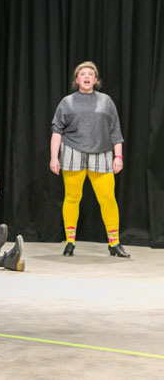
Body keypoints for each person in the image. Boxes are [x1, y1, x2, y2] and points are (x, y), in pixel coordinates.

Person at [50, 61, 129, 258]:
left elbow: (115, 131)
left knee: (108, 199)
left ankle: (114, 243)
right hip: (72, 153)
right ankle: (70, 242)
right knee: (72, 198)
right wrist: (54, 157)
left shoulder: (106, 101)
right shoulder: (67, 102)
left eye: (90, 74)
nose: (86, 76)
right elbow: (57, 131)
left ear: (96, 79)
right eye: (82, 74)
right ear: (76, 80)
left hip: (102, 154)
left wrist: (118, 156)